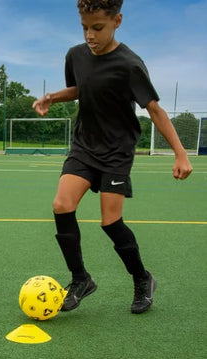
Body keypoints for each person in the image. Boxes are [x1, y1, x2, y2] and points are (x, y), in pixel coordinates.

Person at [32, 0, 192, 314]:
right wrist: (52, 96)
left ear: (117, 20)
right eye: (84, 27)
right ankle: (80, 279)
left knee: (110, 221)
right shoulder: (75, 55)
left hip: (117, 151)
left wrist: (181, 154)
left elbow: (155, 110)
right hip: (84, 145)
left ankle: (142, 278)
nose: (90, 35)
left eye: (98, 28)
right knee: (61, 205)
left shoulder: (130, 64)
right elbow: (80, 88)